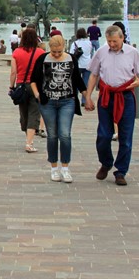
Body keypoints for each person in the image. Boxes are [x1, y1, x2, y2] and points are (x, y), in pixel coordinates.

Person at [84, 25, 139, 186]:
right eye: (109, 41)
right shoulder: (101, 52)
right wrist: (88, 96)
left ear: (122, 38)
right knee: (104, 135)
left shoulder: (132, 53)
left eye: (114, 41)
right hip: (106, 96)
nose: (112, 44)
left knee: (125, 137)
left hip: (125, 96)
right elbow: (94, 75)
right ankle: (106, 162)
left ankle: (121, 171)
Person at [30, 35, 87, 183]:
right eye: (54, 52)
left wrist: (87, 97)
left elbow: (78, 80)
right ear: (49, 48)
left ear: (64, 48)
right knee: (52, 135)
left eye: (59, 52)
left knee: (65, 134)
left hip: (67, 101)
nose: (56, 55)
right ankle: (54, 168)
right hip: (47, 102)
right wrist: (37, 95)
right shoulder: (43, 60)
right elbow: (33, 80)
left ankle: (65, 168)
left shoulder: (71, 59)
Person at [10, 27, 45, 153]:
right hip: (36, 86)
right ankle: (29, 143)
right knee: (34, 113)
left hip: (21, 85)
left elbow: (13, 72)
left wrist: (11, 86)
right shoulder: (40, 52)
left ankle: (28, 139)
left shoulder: (16, 52)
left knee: (24, 113)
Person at [70, 27, 93, 105]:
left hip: (78, 65)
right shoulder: (89, 42)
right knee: (85, 83)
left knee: (76, 82)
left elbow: (71, 54)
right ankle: (84, 100)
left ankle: (75, 99)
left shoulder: (75, 43)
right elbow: (90, 52)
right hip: (87, 64)